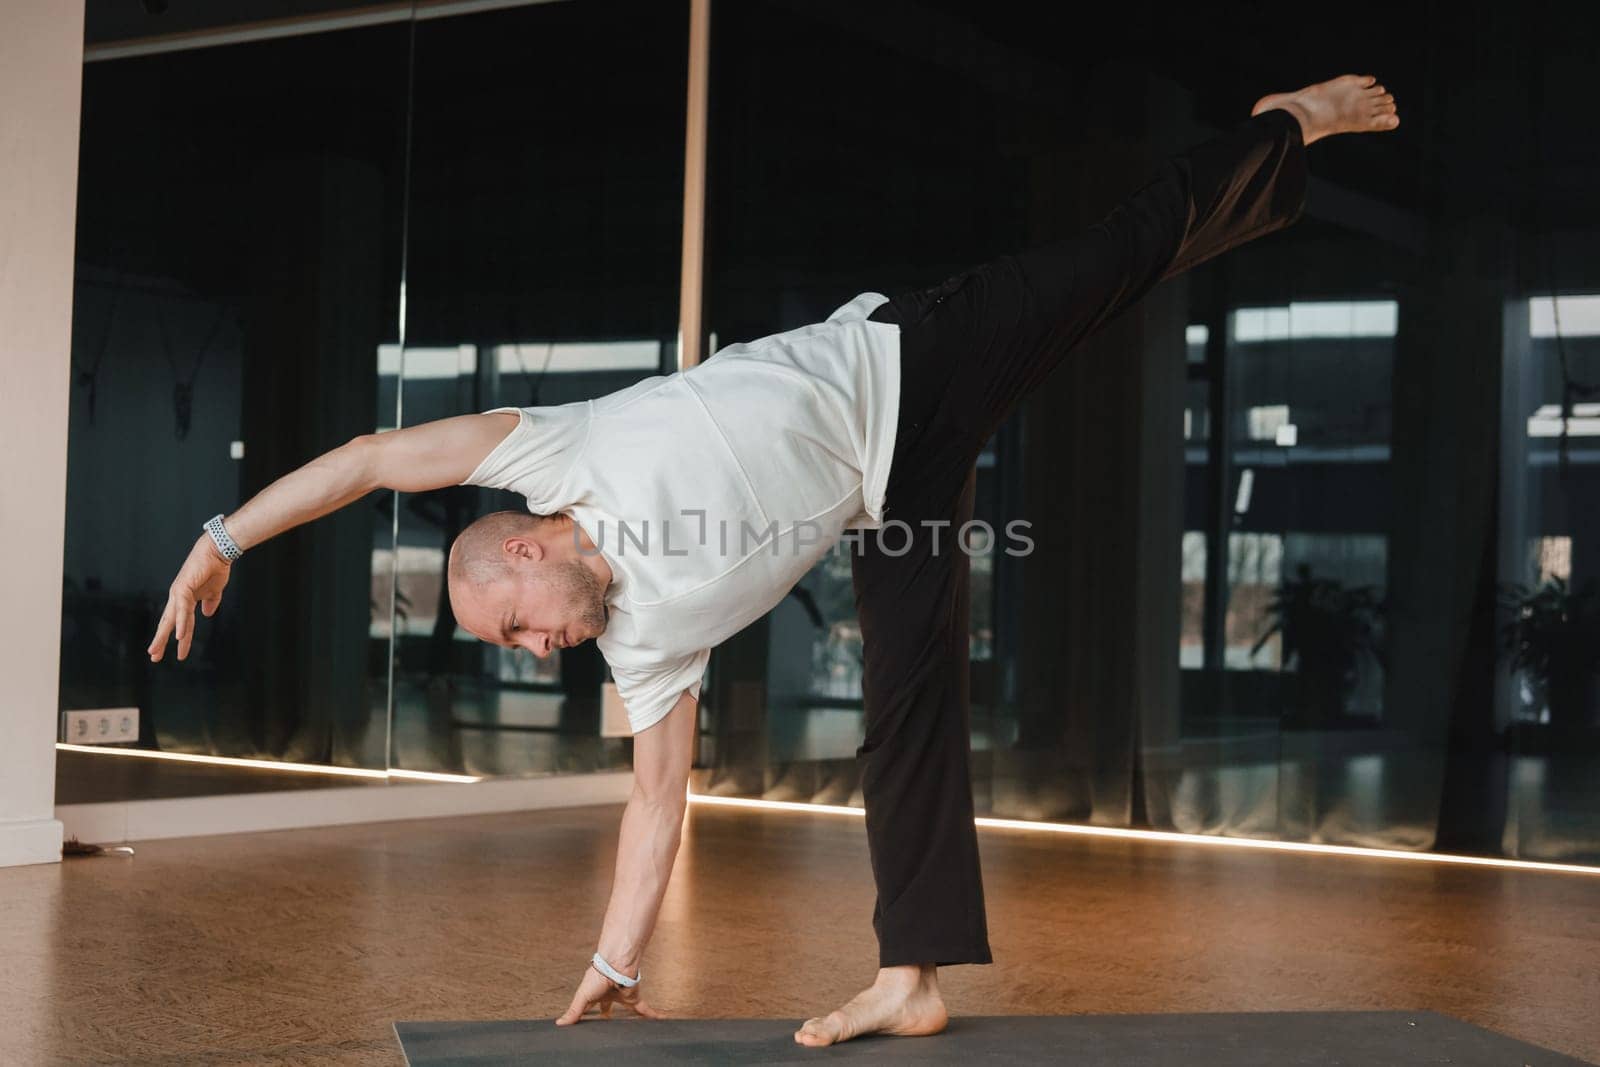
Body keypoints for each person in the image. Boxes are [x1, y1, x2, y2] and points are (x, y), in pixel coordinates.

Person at [149, 73, 1398, 1048]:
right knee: (906, 711)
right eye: (518, 652)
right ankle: (908, 982)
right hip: (890, 493)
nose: (535, 652)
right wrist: (618, 962)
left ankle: (1290, 123)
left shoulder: (556, 451)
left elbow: (369, 456)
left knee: (1125, 252)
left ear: (525, 545)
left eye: (514, 625)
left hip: (915, 360)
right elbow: (653, 805)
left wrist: (223, 538)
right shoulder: (644, 649)